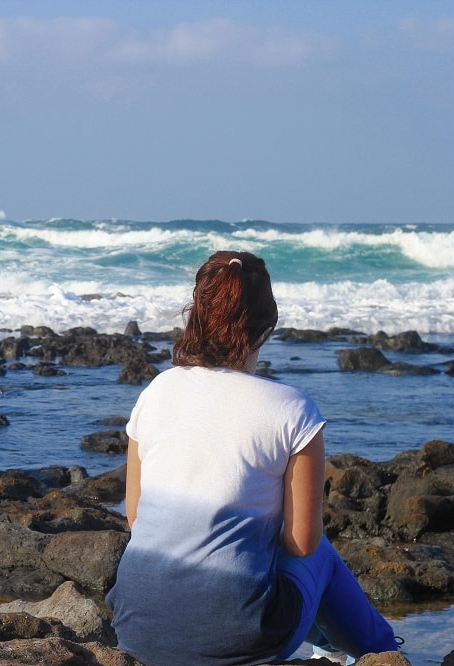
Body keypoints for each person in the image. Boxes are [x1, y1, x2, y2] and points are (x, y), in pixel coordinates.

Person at [106, 250, 398, 665]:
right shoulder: (291, 409)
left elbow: (135, 517)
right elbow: (300, 543)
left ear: (197, 316)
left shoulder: (156, 391)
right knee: (318, 554)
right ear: (267, 324)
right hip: (244, 640)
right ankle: (379, 653)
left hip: (136, 631)